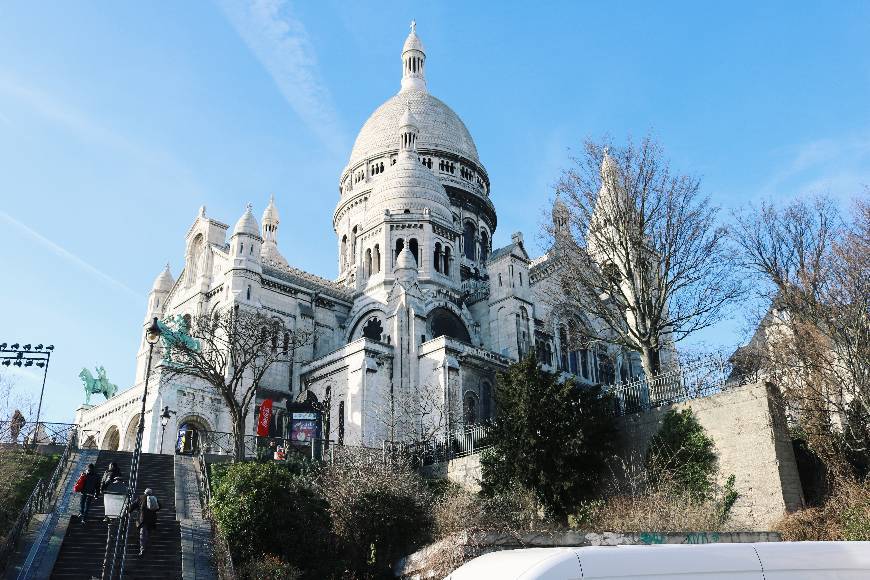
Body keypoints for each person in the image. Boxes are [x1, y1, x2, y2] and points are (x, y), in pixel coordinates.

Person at [128, 488, 160, 556]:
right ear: (151, 493)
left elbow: (133, 505)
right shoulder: (154, 498)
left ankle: (142, 548)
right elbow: (159, 506)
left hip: (143, 519)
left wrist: (129, 511)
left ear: (144, 492)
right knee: (148, 533)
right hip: (152, 519)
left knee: (142, 533)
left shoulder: (141, 497)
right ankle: (146, 546)